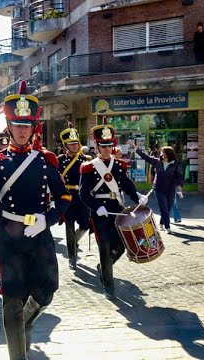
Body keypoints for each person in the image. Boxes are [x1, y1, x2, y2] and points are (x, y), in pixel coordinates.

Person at [0, 80, 71, 360]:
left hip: (39, 236)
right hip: (8, 237)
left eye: (26, 125)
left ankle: (27, 321)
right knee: (11, 302)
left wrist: (48, 219)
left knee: (47, 292)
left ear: (33, 128)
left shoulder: (47, 160)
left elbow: (64, 198)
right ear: (9, 128)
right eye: (17, 125)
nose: (21, 130)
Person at [80, 117, 148, 300]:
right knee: (105, 246)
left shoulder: (118, 165)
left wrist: (137, 196)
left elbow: (127, 185)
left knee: (120, 247)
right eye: (103, 146)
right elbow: (83, 194)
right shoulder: (88, 168)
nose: (107, 149)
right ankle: (108, 285)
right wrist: (96, 207)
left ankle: (104, 267)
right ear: (97, 146)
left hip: (117, 209)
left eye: (109, 145)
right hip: (100, 212)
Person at [57, 123, 91, 270]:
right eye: (71, 144)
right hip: (68, 197)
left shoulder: (85, 159)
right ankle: (72, 256)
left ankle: (74, 241)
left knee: (85, 225)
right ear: (66, 145)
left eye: (76, 143)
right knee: (69, 227)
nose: (75, 146)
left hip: (83, 198)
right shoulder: (59, 160)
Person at [134, 145, 184, 234]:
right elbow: (147, 158)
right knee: (163, 207)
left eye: (163, 152)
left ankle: (161, 222)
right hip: (159, 189)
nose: (161, 154)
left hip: (170, 190)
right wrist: (138, 150)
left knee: (168, 208)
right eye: (161, 152)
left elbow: (180, 176)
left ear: (168, 154)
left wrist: (179, 185)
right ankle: (168, 227)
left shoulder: (175, 164)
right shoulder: (157, 162)